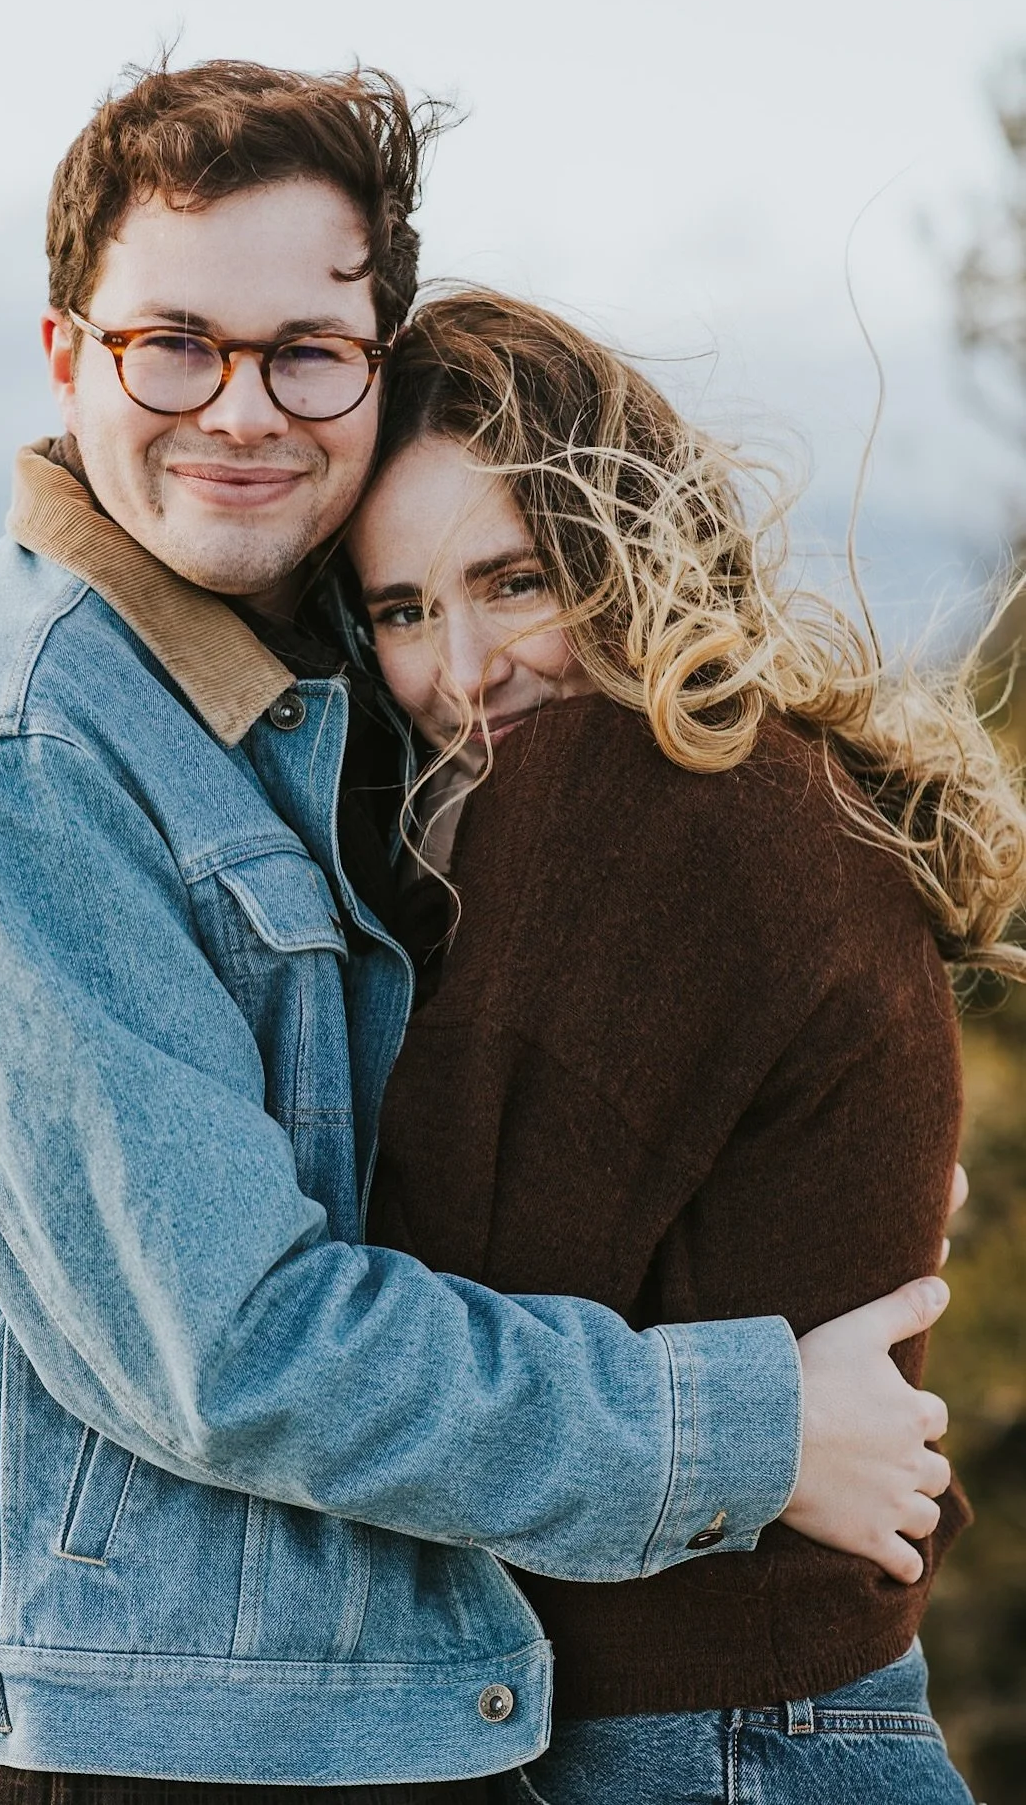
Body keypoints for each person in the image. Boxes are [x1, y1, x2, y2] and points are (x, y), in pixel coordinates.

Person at [0, 62, 960, 1800]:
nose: (240, 409)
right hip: (113, 1748)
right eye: (172, 341)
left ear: (371, 364)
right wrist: (757, 1424)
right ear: (65, 358)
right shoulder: (21, 750)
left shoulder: (295, 719)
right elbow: (239, 1342)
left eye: (305, 352)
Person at [346, 290, 1026, 1804]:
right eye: (401, 610)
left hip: (716, 1744)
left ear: (618, 550)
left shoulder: (628, 790)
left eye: (510, 580)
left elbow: (450, 1300)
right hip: (786, 1720)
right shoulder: (761, 773)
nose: (464, 667)